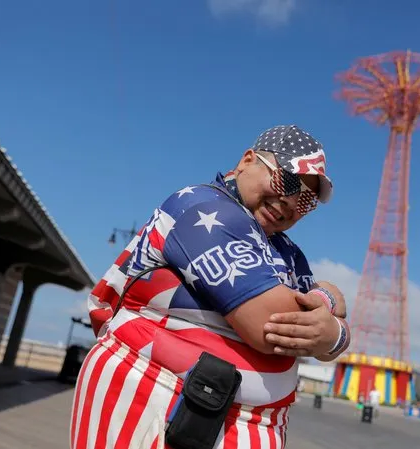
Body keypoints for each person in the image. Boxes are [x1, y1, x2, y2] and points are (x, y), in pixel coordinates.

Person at [71, 124, 351, 449]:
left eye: (305, 201)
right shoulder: (206, 209)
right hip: (162, 400)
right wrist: (330, 301)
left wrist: (333, 331)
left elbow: (323, 330)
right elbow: (272, 325)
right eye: (287, 180)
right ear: (248, 160)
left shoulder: (288, 253)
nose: (290, 202)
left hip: (245, 419)